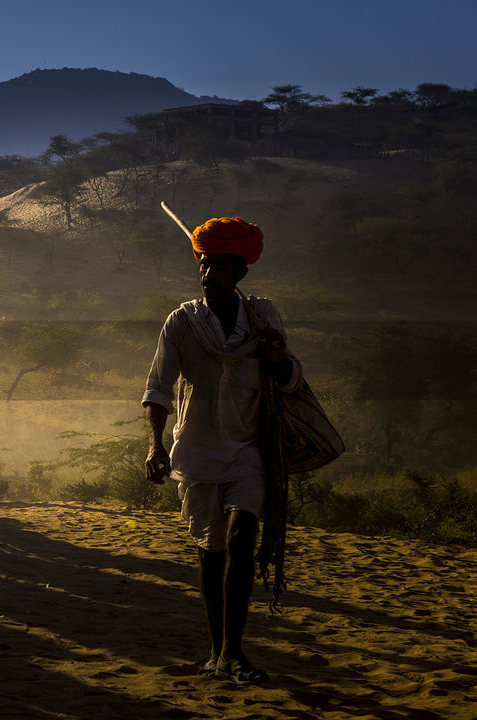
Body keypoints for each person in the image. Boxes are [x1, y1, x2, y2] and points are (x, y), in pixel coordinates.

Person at [142, 216, 302, 685]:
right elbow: (157, 389)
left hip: (250, 449)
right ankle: (218, 653)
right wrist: (155, 446)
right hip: (194, 451)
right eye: (204, 264)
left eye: (218, 266)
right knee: (211, 553)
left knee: (241, 540)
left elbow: (292, 378)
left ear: (239, 272)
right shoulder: (182, 322)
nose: (208, 274)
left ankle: (234, 651)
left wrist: (276, 357)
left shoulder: (263, 315)